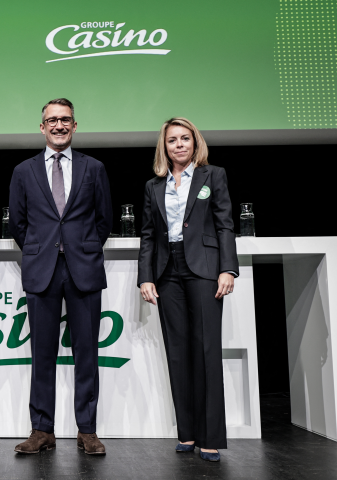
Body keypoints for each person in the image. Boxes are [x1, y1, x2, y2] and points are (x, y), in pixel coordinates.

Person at [9, 98, 113, 455]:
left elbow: (104, 221)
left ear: (74, 125)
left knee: (87, 353)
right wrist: (44, 249)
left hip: (83, 270)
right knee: (42, 354)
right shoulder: (24, 171)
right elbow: (18, 225)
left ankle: (87, 430)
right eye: (51, 120)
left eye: (65, 119)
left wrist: (80, 248)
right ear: (42, 127)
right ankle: (42, 430)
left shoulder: (94, 167)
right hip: (42, 272)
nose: (58, 125)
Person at [137, 117, 239, 462]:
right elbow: (149, 234)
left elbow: (225, 224)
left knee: (206, 350)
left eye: (184, 139)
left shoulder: (214, 175)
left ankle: (210, 437)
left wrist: (228, 268)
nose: (178, 145)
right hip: (168, 270)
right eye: (171, 141)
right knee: (178, 352)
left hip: (205, 268)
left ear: (195, 142)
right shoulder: (155, 185)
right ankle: (188, 433)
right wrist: (145, 277)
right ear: (163, 147)